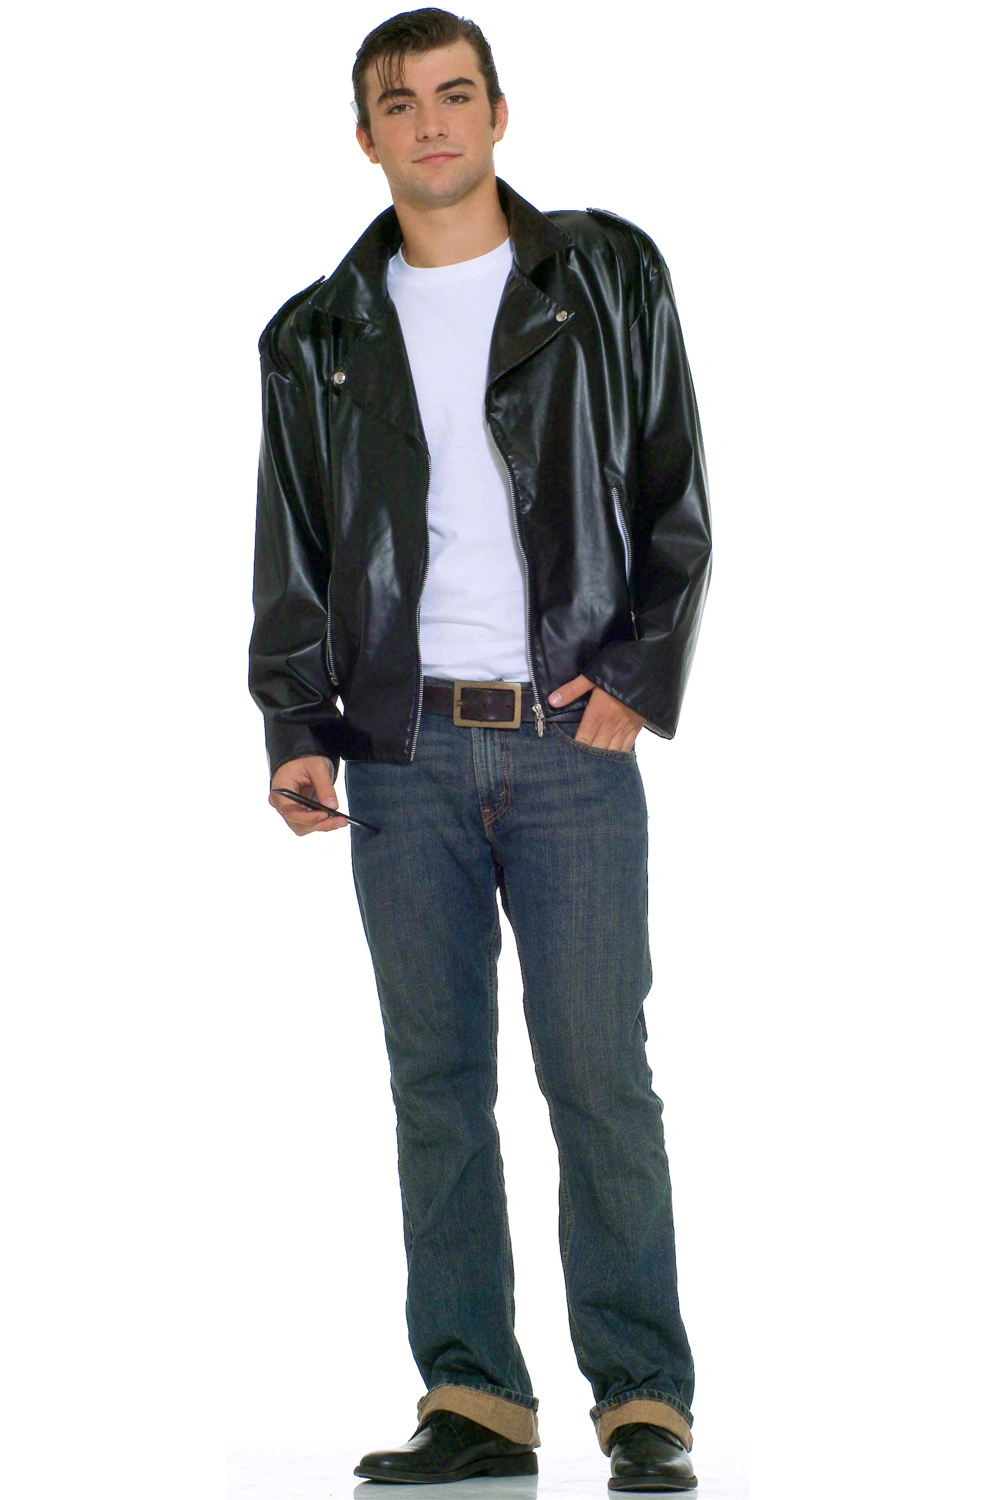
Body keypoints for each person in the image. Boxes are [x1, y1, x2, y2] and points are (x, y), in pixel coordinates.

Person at [249, 8, 711, 1491]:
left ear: (499, 115)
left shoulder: (605, 274)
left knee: (598, 1075)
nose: (431, 122)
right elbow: (295, 543)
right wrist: (295, 724)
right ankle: (474, 1398)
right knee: (434, 1085)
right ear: (365, 136)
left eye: (456, 95)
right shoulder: (315, 335)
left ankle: (641, 1399)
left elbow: (673, 484)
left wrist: (636, 673)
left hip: (569, 742)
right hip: (400, 750)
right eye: (400, 103)